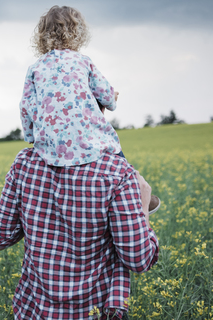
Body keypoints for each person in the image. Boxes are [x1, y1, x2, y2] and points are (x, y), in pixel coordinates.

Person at [19, 5, 161, 214]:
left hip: (50, 149)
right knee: (118, 157)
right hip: (89, 142)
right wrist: (112, 100)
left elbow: (26, 106)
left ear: (42, 36)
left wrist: (30, 136)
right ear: (78, 33)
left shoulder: (35, 68)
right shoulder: (83, 62)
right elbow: (105, 95)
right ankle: (138, 195)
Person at [0, 148, 159, 319]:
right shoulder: (116, 170)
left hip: (34, 312)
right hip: (97, 311)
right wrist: (143, 206)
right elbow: (139, 259)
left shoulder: (25, 162)